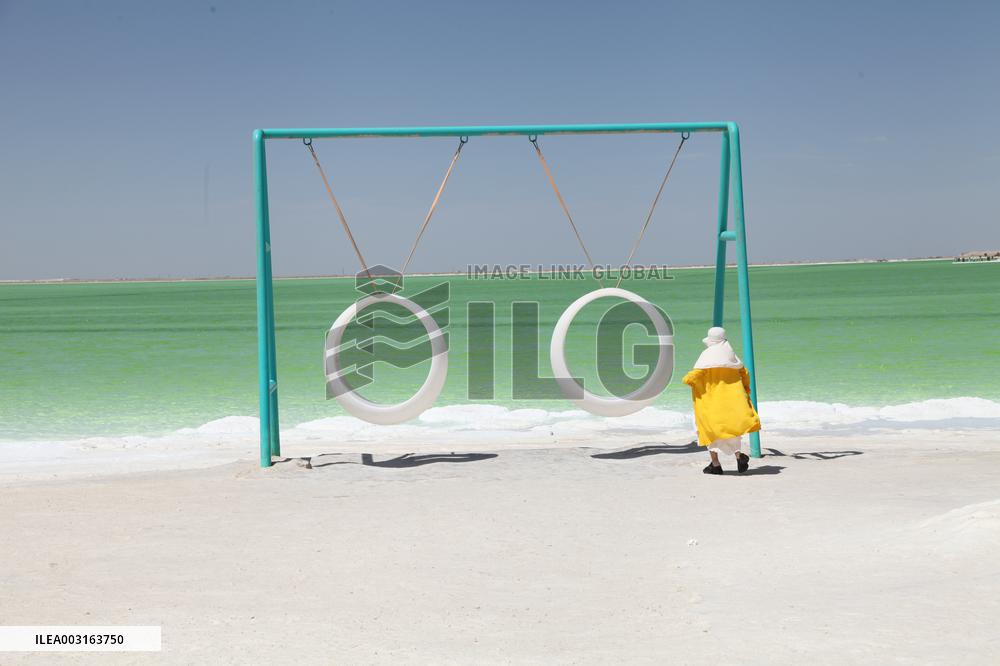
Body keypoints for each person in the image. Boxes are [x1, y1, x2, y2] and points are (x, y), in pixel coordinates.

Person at [682, 327, 761, 475]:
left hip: (712, 402)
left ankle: (716, 464)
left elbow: (695, 375)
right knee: (731, 430)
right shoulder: (732, 356)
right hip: (732, 400)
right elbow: (745, 374)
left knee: (710, 431)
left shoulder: (706, 356)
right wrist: (746, 390)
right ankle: (739, 456)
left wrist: (686, 380)